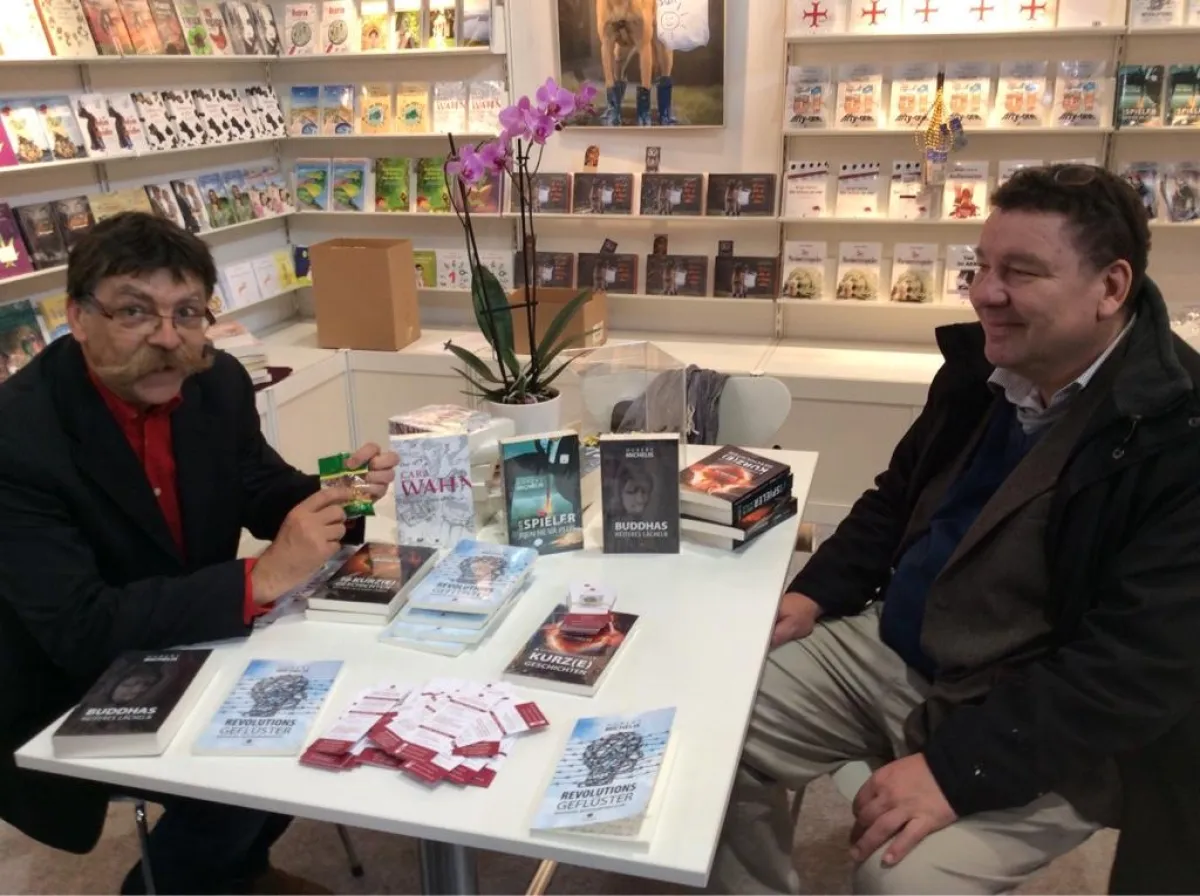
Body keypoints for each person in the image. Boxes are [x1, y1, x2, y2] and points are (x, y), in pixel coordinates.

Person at [710, 163, 1200, 895]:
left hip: (1045, 712)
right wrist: (815, 592)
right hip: (897, 645)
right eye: (982, 266)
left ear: (1111, 287)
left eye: (1021, 272)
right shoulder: (982, 368)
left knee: (902, 878)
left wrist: (955, 771)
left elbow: (1135, 668)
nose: (984, 293)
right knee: (698, 733)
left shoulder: (1178, 434)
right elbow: (898, 495)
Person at [0, 212, 399, 895]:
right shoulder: (18, 434)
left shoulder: (215, 384)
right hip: (71, 674)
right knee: (240, 765)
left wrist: (345, 494)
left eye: (187, 313)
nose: (167, 339)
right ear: (77, 316)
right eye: (135, 311)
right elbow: (80, 627)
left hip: (194, 631)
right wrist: (264, 577)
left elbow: (258, 485)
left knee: (320, 702)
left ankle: (239, 871)